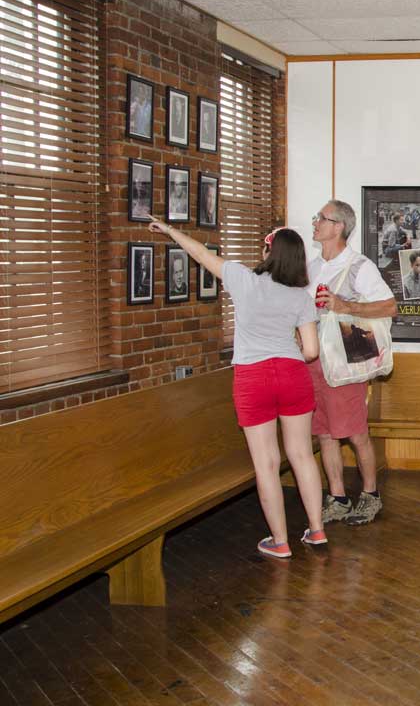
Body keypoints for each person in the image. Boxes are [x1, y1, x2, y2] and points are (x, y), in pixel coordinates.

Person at [147, 218, 326, 558]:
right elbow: (312, 351)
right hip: (292, 373)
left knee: (266, 463)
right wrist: (287, 352)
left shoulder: (244, 280)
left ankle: (280, 541)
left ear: (268, 253)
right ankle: (316, 530)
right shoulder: (300, 297)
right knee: (302, 455)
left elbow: (200, 253)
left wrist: (170, 231)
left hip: (252, 377)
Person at [309, 199, 399, 527]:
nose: (315, 222)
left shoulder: (361, 266)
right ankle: (337, 498)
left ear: (339, 227)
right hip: (314, 362)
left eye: (322, 218)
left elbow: (389, 307)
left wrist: (346, 306)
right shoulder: (312, 266)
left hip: (345, 363)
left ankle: (371, 495)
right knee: (325, 433)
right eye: (317, 217)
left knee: (355, 433)